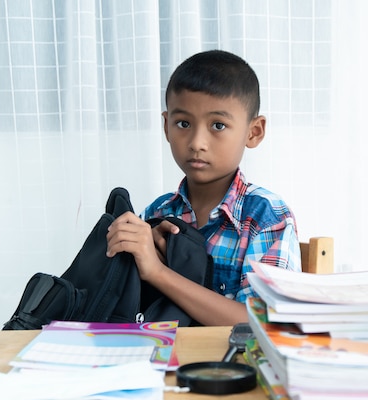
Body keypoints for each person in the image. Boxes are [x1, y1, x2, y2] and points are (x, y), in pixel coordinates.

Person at [106, 50, 301, 326]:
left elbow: (267, 324)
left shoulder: (266, 217)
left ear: (253, 132)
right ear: (166, 126)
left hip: (232, 366)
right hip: (158, 362)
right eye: (183, 123)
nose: (197, 142)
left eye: (218, 125)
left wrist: (158, 272)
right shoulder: (156, 212)